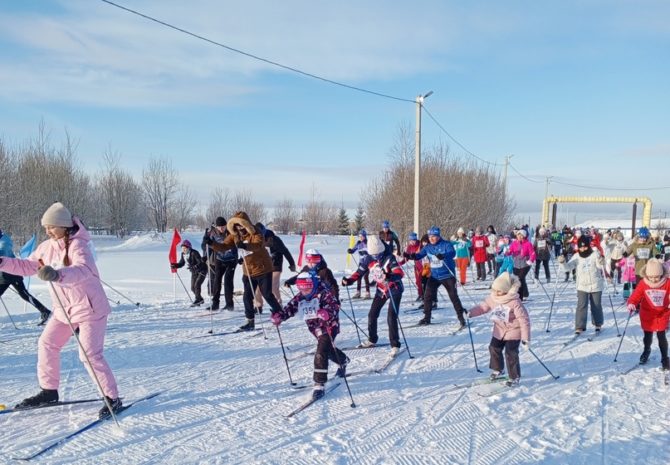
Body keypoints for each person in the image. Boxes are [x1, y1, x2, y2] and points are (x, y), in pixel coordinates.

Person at [0, 202, 122, 418]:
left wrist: (58, 275)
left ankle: (111, 397)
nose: (47, 231)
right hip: (64, 310)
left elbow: (83, 270)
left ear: (64, 226)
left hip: (89, 309)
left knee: (90, 354)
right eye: (45, 227)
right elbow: (28, 266)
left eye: (51, 227)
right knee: (47, 343)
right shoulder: (46, 247)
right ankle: (49, 391)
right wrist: (2, 262)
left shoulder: (79, 246)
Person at [271, 272, 349, 400]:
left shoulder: (324, 293)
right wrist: (280, 317)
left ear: (313, 284)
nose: (305, 291)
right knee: (327, 350)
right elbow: (290, 309)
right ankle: (343, 360)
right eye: (301, 288)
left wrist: (327, 313)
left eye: (307, 288)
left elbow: (335, 306)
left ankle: (319, 383)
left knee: (320, 352)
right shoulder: (301, 297)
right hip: (315, 328)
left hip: (329, 326)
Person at [206, 211, 283, 331]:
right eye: (236, 226)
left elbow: (258, 244)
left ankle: (279, 313)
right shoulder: (235, 235)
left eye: (241, 225)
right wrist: (211, 244)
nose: (239, 228)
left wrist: (245, 246)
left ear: (246, 224)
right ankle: (250, 321)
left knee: (267, 294)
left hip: (263, 268)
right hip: (249, 271)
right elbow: (224, 246)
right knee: (247, 297)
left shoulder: (256, 232)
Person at [467, 272, 531, 386]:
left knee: (510, 353)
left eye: (499, 291)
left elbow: (524, 319)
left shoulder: (514, 302)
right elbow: (483, 307)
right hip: (499, 330)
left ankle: (514, 376)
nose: (496, 292)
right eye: (494, 289)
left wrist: (526, 339)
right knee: (494, 347)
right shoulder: (493, 298)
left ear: (506, 290)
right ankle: (498, 369)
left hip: (514, 330)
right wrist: (470, 313)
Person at [342, 236, 404, 353]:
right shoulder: (368, 259)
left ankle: (395, 345)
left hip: (394, 289)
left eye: (378, 253)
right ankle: (372, 339)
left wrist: (390, 276)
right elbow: (359, 272)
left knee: (391, 317)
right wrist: (349, 281)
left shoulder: (389, 257)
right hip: (381, 290)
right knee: (372, 314)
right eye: (374, 254)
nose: (376, 256)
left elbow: (400, 273)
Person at [406, 226, 467, 328]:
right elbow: (419, 255)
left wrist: (444, 255)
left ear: (438, 236)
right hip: (434, 276)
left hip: (447, 275)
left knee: (453, 297)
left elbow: (452, 253)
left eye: (433, 236)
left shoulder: (446, 244)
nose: (431, 239)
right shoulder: (428, 247)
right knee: (427, 296)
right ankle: (427, 318)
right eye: (430, 237)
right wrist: (411, 256)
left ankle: (461, 317)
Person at [0, 229, 51, 324]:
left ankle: (45, 311)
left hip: (12, 272)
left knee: (24, 294)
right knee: (24, 294)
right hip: (4, 273)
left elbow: (3, 254)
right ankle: (45, 311)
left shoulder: (4, 241)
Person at [626, 259, 670, 369]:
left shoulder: (667, 282)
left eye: (657, 277)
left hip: (662, 313)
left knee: (661, 336)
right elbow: (636, 295)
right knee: (647, 336)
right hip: (647, 314)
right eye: (651, 277)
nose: (654, 279)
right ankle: (646, 351)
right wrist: (632, 303)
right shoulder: (643, 283)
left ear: (661, 274)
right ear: (647, 274)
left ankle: (665, 358)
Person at [558, 235, 606, 334]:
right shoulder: (576, 256)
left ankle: (598, 324)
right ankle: (580, 326)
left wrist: (601, 261)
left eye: (585, 246)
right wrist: (562, 262)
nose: (583, 249)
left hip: (595, 284)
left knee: (596, 305)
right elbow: (567, 268)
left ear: (588, 246)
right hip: (582, 285)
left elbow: (600, 266)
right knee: (581, 305)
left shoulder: (594, 254)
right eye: (581, 247)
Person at [253, 223, 296, 309]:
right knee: (257, 286)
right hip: (263, 266)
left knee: (273, 286)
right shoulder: (255, 239)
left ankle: (278, 305)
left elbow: (285, 251)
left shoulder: (274, 240)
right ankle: (258, 306)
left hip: (275, 265)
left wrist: (292, 264)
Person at [202, 217, 237, 311]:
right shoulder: (212, 234)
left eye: (223, 226)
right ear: (216, 227)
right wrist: (205, 255)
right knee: (216, 280)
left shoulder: (231, 232)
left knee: (228, 281)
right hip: (219, 259)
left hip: (231, 259)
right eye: (219, 227)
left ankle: (229, 304)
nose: (222, 228)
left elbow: (237, 244)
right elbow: (208, 246)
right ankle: (215, 303)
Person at [171, 239, 207, 306]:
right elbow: (182, 263)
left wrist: (195, 266)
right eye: (182, 248)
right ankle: (200, 299)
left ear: (189, 248)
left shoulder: (194, 253)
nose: (183, 250)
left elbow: (200, 262)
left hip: (202, 270)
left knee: (197, 285)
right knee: (193, 288)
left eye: (185, 248)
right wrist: (175, 265)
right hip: (194, 272)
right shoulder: (183, 254)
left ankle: (197, 300)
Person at [509, 229, 536, 301]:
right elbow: (510, 251)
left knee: (519, 279)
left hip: (525, 265)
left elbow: (532, 253)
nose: (519, 236)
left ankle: (519, 298)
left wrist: (531, 260)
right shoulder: (514, 243)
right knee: (519, 279)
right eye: (518, 235)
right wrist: (507, 252)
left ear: (524, 236)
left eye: (521, 235)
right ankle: (525, 293)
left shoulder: (528, 244)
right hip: (516, 264)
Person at [399, 232, 423, 302]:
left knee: (423, 282)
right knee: (418, 282)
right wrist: (400, 263)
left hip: (424, 266)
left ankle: (426, 296)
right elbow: (407, 258)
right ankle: (420, 295)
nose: (413, 242)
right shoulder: (409, 247)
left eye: (414, 240)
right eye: (411, 240)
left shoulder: (420, 245)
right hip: (417, 266)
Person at [346, 229, 370, 299]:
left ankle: (367, 293)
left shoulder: (368, 243)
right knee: (359, 277)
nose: (361, 237)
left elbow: (372, 251)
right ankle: (358, 292)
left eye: (362, 236)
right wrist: (350, 250)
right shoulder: (358, 243)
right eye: (359, 236)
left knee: (366, 277)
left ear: (365, 236)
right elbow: (353, 250)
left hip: (367, 263)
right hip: (361, 263)